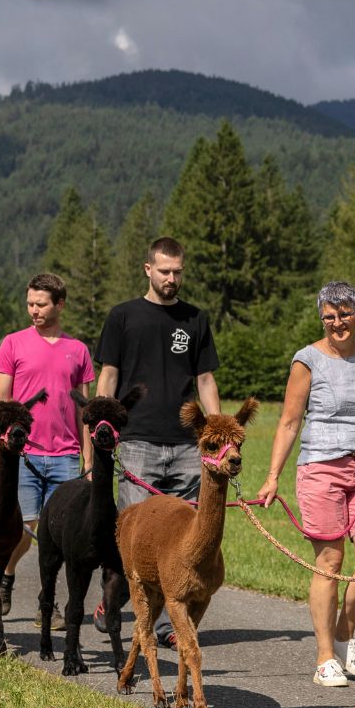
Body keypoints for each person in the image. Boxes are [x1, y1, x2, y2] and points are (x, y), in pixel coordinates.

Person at [254, 281, 355, 688]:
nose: (337, 323)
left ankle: (345, 634)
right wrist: (273, 476)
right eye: (329, 316)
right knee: (330, 563)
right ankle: (325, 658)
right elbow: (289, 422)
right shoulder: (307, 360)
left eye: (344, 314)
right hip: (321, 469)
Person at [93, 236, 220, 646]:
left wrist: (214, 433)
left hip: (185, 445)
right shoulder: (123, 316)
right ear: (148, 269)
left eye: (177, 272)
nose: (171, 278)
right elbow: (109, 376)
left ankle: (167, 624)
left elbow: (205, 379)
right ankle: (115, 598)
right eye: (164, 271)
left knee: (182, 538)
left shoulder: (195, 319)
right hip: (137, 441)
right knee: (135, 534)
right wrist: (102, 427)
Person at [0, 272, 95, 627]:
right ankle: (6, 575)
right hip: (23, 455)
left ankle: (48, 602)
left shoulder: (78, 351)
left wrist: (89, 458)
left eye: (41, 304)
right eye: (30, 304)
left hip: (65, 456)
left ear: (59, 304)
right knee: (23, 529)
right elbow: (0, 403)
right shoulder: (12, 344)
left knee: (61, 536)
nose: (33, 310)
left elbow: (84, 411)